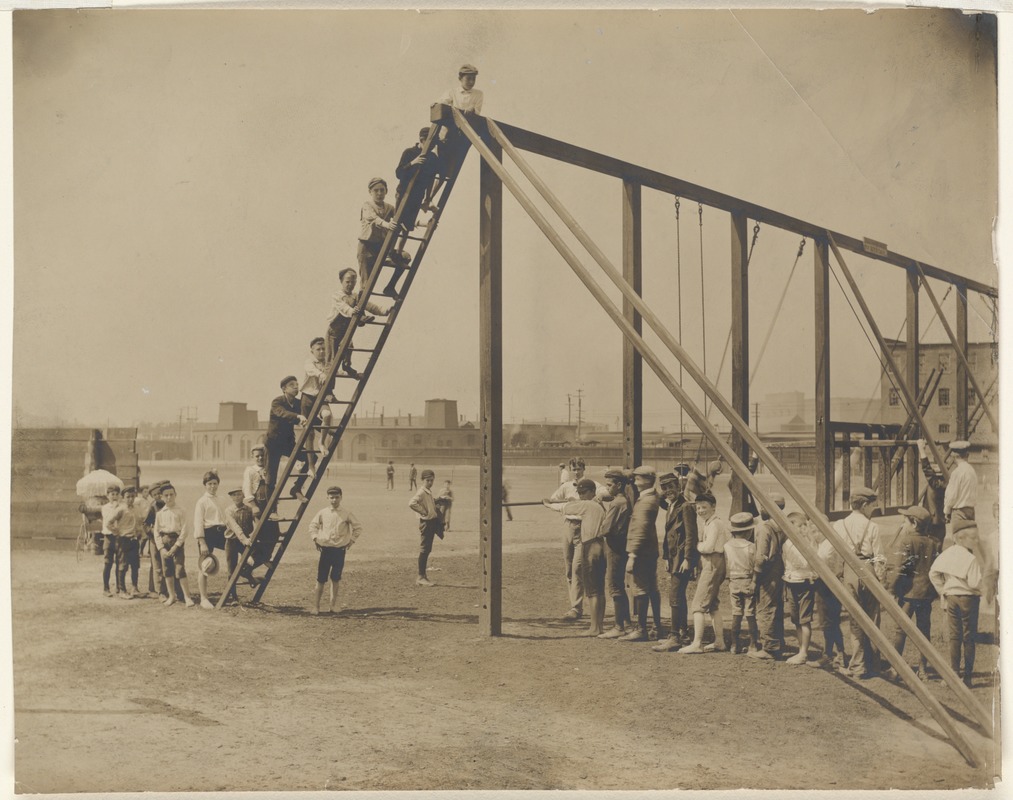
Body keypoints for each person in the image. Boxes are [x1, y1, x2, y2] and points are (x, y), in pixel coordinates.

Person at [833, 486, 886, 679]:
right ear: (864, 505)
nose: (873, 510)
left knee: (855, 620)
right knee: (872, 619)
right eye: (872, 506)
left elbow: (834, 552)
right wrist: (881, 581)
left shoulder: (840, 524)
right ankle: (874, 665)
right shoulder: (872, 526)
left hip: (849, 571)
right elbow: (879, 556)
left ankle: (858, 666)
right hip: (868, 569)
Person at [544, 478, 608, 636]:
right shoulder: (598, 505)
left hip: (590, 546)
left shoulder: (587, 504)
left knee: (592, 590)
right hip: (600, 545)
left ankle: (594, 628)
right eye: (578, 493)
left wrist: (547, 502)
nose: (581, 495)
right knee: (599, 590)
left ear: (593, 492)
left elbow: (565, 507)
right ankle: (598, 625)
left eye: (584, 492)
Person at [886, 506, 942, 680]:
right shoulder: (934, 543)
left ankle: (895, 668)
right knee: (924, 631)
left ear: (914, 523)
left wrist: (890, 589)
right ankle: (923, 669)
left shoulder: (906, 541)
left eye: (905, 520)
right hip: (926, 594)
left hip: (908, 594)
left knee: (900, 630)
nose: (903, 523)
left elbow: (899, 569)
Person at [929, 518, 983, 688]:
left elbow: (933, 573)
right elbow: (975, 584)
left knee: (954, 636)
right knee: (969, 636)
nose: (975, 541)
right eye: (972, 538)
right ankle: (967, 678)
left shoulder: (946, 554)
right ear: (960, 538)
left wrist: (943, 590)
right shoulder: (970, 559)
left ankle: (953, 675)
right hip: (968, 599)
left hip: (951, 598)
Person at [680, 491, 729, 654]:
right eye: (699, 508)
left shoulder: (715, 524)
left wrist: (697, 545)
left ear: (713, 507)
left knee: (698, 605)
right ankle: (720, 641)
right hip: (711, 562)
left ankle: (697, 643)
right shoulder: (709, 522)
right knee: (712, 604)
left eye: (704, 507)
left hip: (713, 562)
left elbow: (707, 547)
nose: (701, 510)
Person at [653, 471, 697, 651]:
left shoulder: (685, 507)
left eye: (671, 486)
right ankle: (683, 632)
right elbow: (668, 536)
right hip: (673, 558)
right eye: (664, 488)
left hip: (681, 558)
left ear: (678, 487)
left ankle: (674, 636)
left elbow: (691, 536)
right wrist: (666, 557)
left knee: (675, 596)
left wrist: (687, 559)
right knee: (678, 596)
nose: (668, 490)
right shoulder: (671, 506)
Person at [621, 466, 662, 642]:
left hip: (641, 552)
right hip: (649, 551)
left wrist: (632, 556)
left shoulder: (646, 501)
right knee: (652, 588)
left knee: (641, 589)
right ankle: (657, 627)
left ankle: (641, 629)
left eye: (638, 480)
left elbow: (640, 529)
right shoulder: (651, 497)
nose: (635, 483)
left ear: (646, 481)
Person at [308, 486, 362, 615]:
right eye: (331, 497)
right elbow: (312, 526)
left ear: (341, 497)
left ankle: (333, 605)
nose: (334, 500)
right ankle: (316, 606)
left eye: (337, 497)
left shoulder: (346, 513)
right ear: (327, 498)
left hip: (339, 550)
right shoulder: (322, 512)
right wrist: (315, 538)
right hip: (325, 550)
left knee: (336, 578)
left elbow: (358, 527)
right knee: (321, 579)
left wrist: (351, 541)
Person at [326, 268, 390, 373]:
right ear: (341, 281)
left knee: (349, 346)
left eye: (353, 282)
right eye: (347, 282)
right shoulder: (337, 296)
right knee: (331, 357)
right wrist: (352, 311)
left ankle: (347, 365)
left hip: (346, 328)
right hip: (334, 330)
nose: (350, 284)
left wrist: (384, 311)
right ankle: (329, 379)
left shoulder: (355, 296)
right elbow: (343, 308)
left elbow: (370, 306)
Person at [598, 469, 634, 638]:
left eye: (609, 485)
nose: (607, 488)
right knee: (619, 585)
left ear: (619, 485)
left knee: (614, 586)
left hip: (614, 547)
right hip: (622, 547)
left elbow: (605, 529)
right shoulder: (624, 500)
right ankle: (626, 624)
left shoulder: (616, 503)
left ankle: (619, 626)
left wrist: (599, 506)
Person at [752, 493, 787, 659]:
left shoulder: (764, 527)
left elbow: (760, 557)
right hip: (780, 569)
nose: (760, 509)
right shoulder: (783, 525)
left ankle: (769, 647)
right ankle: (779, 641)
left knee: (765, 608)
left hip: (767, 570)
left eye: (764, 506)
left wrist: (755, 577)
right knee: (776, 606)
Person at [782, 512, 819, 666]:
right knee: (796, 619)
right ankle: (800, 649)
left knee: (804, 619)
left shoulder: (808, 543)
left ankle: (804, 652)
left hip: (804, 582)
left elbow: (806, 563)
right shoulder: (787, 543)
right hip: (791, 581)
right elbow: (786, 562)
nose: (796, 529)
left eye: (798, 526)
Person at [266, 375, 310, 504]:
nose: (296, 386)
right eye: (292, 385)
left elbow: (309, 417)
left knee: (310, 458)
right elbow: (282, 413)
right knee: (271, 477)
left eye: (297, 384)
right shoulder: (277, 402)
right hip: (273, 444)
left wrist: (328, 430)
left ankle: (296, 488)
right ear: (284, 388)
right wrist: (298, 417)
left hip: (287, 444)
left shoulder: (298, 403)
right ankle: (272, 508)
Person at [724, 512, 761, 656]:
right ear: (749, 530)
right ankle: (753, 644)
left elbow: (726, 564)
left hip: (733, 580)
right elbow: (755, 565)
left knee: (736, 613)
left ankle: (735, 644)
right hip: (748, 580)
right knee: (750, 613)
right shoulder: (751, 546)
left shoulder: (727, 546)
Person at [813, 515, 846, 670]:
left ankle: (833, 654)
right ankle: (835, 653)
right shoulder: (826, 543)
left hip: (827, 586)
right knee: (830, 621)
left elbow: (823, 564)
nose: (813, 534)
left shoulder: (827, 546)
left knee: (828, 621)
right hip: (830, 585)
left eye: (815, 531)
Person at [357, 177, 402, 290]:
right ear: (370, 192)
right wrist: (387, 225)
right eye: (376, 190)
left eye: (382, 190)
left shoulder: (389, 207)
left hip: (381, 247)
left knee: (405, 258)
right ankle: (361, 305)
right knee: (366, 284)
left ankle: (390, 287)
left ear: (386, 191)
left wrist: (423, 223)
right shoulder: (367, 205)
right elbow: (372, 218)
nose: (379, 193)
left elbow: (402, 218)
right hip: (366, 247)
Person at [154, 484, 194, 608]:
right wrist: (161, 548)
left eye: (171, 494)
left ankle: (187, 597)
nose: (169, 497)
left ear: (175, 495)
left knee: (180, 569)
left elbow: (185, 530)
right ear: (162, 497)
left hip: (177, 542)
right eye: (166, 495)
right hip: (164, 542)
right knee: (167, 570)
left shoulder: (181, 510)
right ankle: (172, 596)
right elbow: (156, 532)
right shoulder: (160, 513)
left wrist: (176, 546)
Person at [193, 470, 227, 610]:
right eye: (209, 484)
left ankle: (234, 592)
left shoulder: (220, 499)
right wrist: (202, 542)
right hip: (207, 534)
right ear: (205, 485)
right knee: (204, 566)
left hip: (221, 532)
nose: (212, 486)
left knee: (235, 553)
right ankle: (203, 598)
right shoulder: (201, 501)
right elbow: (198, 523)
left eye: (215, 483)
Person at [301, 337, 334, 464]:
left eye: (324, 349)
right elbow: (311, 371)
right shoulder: (309, 362)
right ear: (312, 351)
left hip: (320, 397)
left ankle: (322, 442)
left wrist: (354, 375)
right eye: (318, 349)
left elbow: (336, 371)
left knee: (327, 415)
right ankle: (311, 466)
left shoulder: (328, 363)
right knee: (309, 434)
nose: (321, 351)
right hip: (308, 398)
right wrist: (321, 374)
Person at [409, 469, 442, 586]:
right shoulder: (422, 491)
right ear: (422, 480)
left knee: (427, 549)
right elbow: (412, 503)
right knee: (424, 550)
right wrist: (423, 511)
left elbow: (428, 504)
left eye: (432, 480)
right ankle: (421, 577)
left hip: (432, 523)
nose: (430, 482)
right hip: (426, 523)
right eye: (428, 480)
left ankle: (423, 576)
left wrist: (436, 503)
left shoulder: (428, 491)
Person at [223, 487, 256, 600]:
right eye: (234, 495)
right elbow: (235, 527)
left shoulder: (249, 509)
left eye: (239, 494)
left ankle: (248, 575)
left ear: (243, 496)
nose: (236, 497)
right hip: (232, 541)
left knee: (252, 560)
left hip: (245, 541)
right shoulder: (229, 511)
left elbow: (257, 522)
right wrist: (244, 539)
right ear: (231, 497)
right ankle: (232, 596)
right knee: (231, 569)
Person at [942, 440, 978, 542]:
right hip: (970, 510)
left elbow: (952, 495)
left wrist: (946, 511)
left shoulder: (957, 473)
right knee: (968, 543)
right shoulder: (972, 471)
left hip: (959, 512)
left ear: (954, 455)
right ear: (967, 455)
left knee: (959, 543)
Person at [113, 486, 145, 599]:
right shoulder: (120, 509)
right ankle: (122, 590)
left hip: (134, 540)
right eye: (128, 497)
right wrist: (116, 532)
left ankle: (134, 588)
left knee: (135, 565)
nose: (130, 499)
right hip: (123, 540)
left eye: (132, 496)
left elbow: (139, 521)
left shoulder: (136, 508)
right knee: (123, 565)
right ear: (123, 497)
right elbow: (109, 522)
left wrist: (140, 532)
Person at [917, 439, 947, 542]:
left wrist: (921, 450)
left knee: (932, 553)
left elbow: (927, 470)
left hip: (935, 524)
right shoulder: (945, 479)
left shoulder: (940, 483)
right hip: (939, 523)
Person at [100, 484, 124, 597]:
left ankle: (119, 587)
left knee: (120, 563)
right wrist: (115, 507)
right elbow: (109, 521)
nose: (114, 496)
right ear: (107, 496)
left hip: (119, 537)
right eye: (112, 494)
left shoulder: (122, 506)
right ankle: (106, 588)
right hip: (109, 537)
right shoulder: (105, 508)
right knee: (108, 563)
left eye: (116, 494)